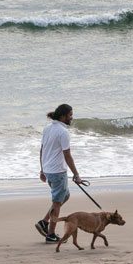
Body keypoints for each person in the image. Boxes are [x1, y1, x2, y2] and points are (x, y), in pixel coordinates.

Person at [35, 103, 82, 243]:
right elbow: (67, 155)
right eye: (70, 115)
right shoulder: (63, 132)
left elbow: (42, 150)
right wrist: (76, 174)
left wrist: (42, 169)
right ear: (62, 116)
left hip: (49, 170)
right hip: (57, 172)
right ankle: (51, 234)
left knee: (65, 196)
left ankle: (44, 222)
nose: (72, 117)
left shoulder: (47, 128)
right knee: (57, 203)